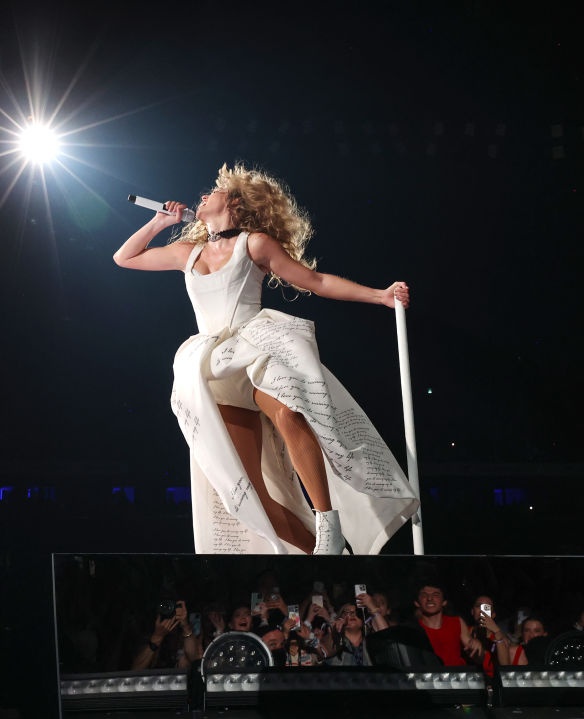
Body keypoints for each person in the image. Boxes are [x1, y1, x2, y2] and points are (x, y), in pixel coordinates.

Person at [114, 163, 419, 554]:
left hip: (256, 346)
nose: (205, 194)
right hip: (213, 366)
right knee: (249, 495)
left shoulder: (253, 244)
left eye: (216, 190)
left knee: (290, 412)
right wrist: (158, 223)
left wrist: (379, 295)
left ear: (236, 204)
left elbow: (316, 281)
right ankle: (326, 555)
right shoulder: (187, 253)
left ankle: (329, 521)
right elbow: (125, 257)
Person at [409, 583, 482, 666]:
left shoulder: (456, 622)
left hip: (457, 677)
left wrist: (477, 647)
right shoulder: (411, 630)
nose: (430, 598)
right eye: (424, 595)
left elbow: (477, 657)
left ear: (444, 602)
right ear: (417, 603)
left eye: (435, 595)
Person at [468, 595, 511, 676]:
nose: (482, 611)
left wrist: (497, 631)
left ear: (493, 615)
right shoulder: (465, 633)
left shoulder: (500, 638)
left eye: (486, 608)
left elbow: (506, 668)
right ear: (472, 611)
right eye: (478, 606)